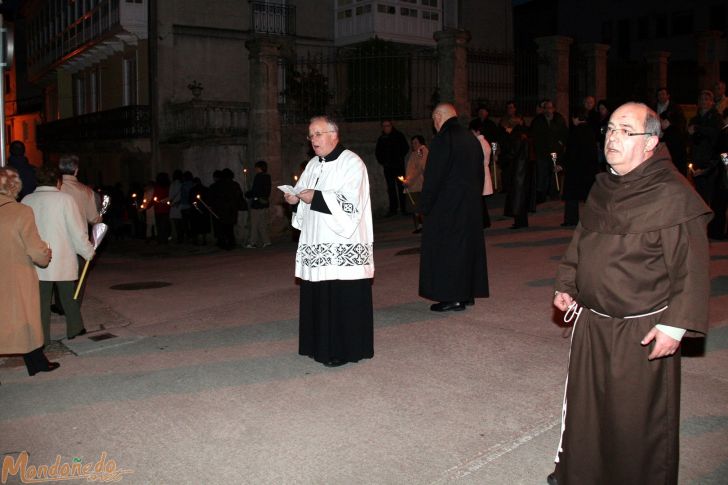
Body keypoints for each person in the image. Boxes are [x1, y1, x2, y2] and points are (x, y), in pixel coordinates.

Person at [548, 102, 712, 485]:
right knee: (588, 411)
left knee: (635, 421)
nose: (613, 138)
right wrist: (566, 282)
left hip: (641, 331)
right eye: (609, 130)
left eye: (626, 130)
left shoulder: (672, 194)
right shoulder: (604, 186)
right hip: (592, 324)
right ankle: (582, 473)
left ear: (651, 142)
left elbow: (691, 266)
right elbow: (582, 241)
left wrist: (675, 327)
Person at [284, 115, 374, 367]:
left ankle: (342, 350)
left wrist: (317, 197)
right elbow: (303, 192)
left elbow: (351, 201)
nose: (313, 139)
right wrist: (294, 199)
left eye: (318, 134)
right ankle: (317, 345)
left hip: (341, 243)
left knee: (339, 296)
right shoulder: (312, 164)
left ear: (334, 135)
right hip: (316, 240)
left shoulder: (352, 163)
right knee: (319, 294)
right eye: (311, 135)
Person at [419, 103, 489, 312]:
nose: (434, 124)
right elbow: (479, 172)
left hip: (447, 207)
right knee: (466, 250)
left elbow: (434, 176)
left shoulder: (443, 139)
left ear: (439, 116)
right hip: (470, 206)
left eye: (434, 119)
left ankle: (452, 297)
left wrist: (426, 205)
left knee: (448, 251)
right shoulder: (470, 138)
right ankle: (466, 294)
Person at [22, 166, 95, 345]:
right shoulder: (65, 200)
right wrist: (88, 252)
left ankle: (43, 338)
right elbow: (77, 231)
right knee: (69, 297)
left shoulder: (27, 200)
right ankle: (75, 329)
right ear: (58, 181)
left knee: (41, 303)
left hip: (37, 259)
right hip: (62, 257)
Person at [0, 168, 58, 377]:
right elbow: (35, 250)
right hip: (16, 275)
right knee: (25, 318)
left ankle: (37, 362)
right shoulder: (20, 211)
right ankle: (36, 362)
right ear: (15, 187)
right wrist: (46, 252)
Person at [560, 107, 599, 226]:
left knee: (572, 196)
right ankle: (593, 220)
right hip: (588, 168)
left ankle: (571, 220)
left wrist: (563, 165)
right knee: (588, 195)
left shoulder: (575, 133)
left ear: (576, 118)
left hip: (575, 169)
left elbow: (571, 153)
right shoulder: (590, 131)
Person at [531, 99, 569, 202]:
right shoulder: (538, 120)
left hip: (556, 152)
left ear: (554, 109)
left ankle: (554, 193)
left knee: (555, 172)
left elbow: (564, 133)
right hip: (542, 152)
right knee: (542, 174)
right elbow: (534, 135)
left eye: (550, 108)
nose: (548, 110)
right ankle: (541, 195)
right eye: (546, 108)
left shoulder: (559, 119)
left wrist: (561, 143)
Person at [375, 119, 410, 216]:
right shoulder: (382, 138)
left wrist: (398, 158)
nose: (386, 128)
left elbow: (405, 148)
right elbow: (378, 152)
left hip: (398, 167)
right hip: (388, 168)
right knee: (391, 188)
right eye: (384, 126)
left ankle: (404, 208)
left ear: (391, 125)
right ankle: (393, 209)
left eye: (388, 125)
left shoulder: (399, 136)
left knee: (401, 187)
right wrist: (383, 162)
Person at [58, 154, 102, 226]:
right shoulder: (86, 191)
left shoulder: (53, 188)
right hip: (78, 235)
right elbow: (94, 219)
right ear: (76, 171)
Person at [469, 119, 494, 228]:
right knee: (480, 200)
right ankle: (484, 221)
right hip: (483, 171)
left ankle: (483, 222)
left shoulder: (479, 143)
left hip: (480, 172)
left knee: (479, 200)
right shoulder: (484, 142)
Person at [403, 135, 428, 233]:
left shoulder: (421, 151)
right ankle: (419, 226)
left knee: (419, 207)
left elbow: (420, 167)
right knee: (415, 208)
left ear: (421, 143)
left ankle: (423, 226)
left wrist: (409, 181)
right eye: (412, 143)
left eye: (415, 143)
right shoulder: (414, 153)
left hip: (418, 185)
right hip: (413, 185)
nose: (413, 145)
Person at [245, 160, 272, 248]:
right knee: (262, 223)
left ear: (259, 168)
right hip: (264, 202)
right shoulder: (268, 177)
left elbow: (255, 190)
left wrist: (247, 194)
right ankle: (266, 241)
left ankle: (252, 242)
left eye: (256, 167)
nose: (255, 169)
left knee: (254, 223)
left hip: (257, 203)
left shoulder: (258, 177)